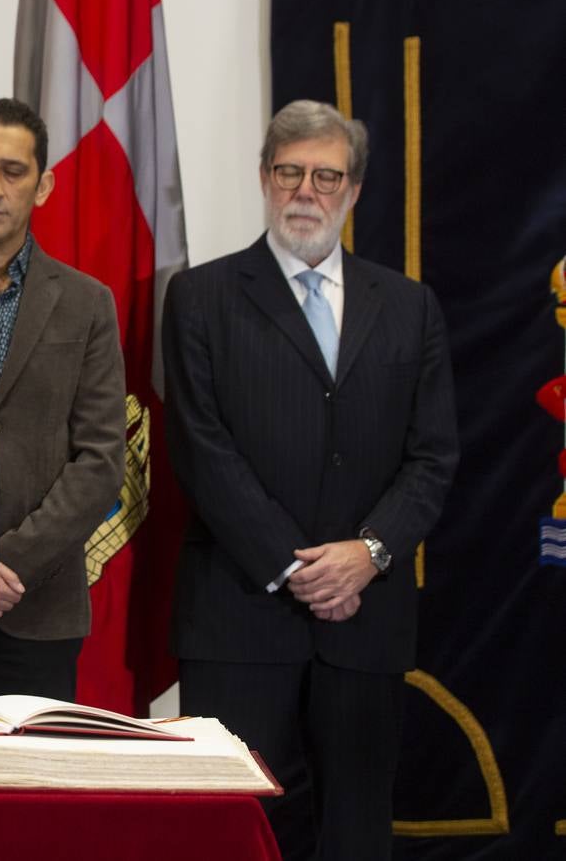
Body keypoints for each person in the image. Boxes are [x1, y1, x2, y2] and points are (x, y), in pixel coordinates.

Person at [162, 99, 458, 860]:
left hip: (365, 619)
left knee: (356, 833)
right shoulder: (200, 296)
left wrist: (368, 553)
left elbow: (432, 456)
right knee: (232, 834)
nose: (306, 191)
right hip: (238, 616)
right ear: (264, 178)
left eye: (326, 177)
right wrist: (295, 568)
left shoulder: (409, 306)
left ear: (352, 191)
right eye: (289, 172)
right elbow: (199, 447)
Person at [0, 98, 125, 701]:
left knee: (33, 760)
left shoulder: (87, 303)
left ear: (43, 185)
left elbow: (101, 460)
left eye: (13, 171)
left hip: (42, 600)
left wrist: (12, 563)